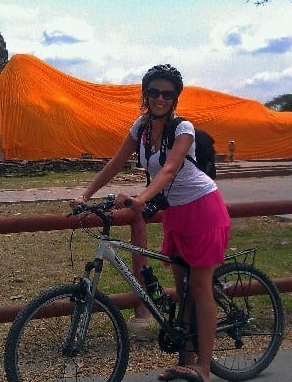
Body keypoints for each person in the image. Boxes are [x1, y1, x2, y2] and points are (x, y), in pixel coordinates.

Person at [71, 64, 230, 382]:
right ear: (146, 94)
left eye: (167, 94)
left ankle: (204, 366)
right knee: (182, 288)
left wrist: (141, 198)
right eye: (154, 92)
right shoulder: (141, 129)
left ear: (175, 99)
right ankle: (184, 361)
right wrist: (85, 193)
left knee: (199, 289)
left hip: (203, 210)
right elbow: (117, 162)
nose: (160, 98)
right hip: (177, 215)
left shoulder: (183, 129)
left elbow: (170, 169)